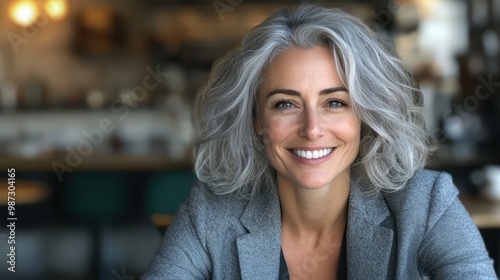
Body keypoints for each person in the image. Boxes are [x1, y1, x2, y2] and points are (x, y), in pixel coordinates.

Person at [141, 5, 497, 279]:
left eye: (335, 102)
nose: (312, 129)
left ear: (365, 117)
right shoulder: (210, 213)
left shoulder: (425, 204)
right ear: (257, 121)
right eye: (285, 104)